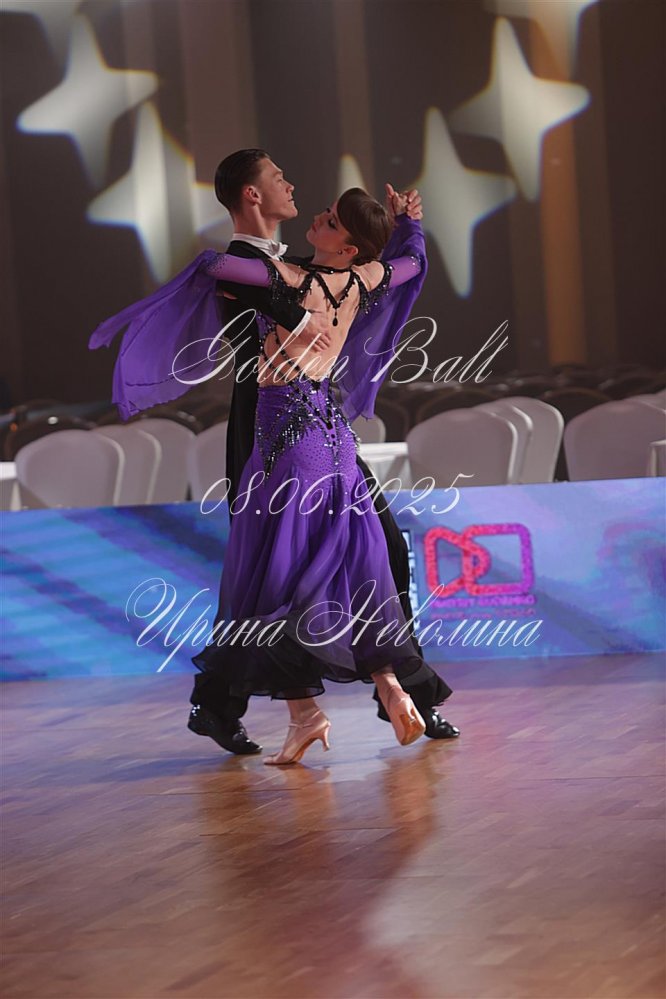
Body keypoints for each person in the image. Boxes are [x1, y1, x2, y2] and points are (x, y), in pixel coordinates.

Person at [164, 186, 451, 764]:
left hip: (286, 444)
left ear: (347, 247)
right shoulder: (356, 278)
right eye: (280, 180)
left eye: (332, 220)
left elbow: (217, 268)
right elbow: (412, 264)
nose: (307, 203)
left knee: (278, 575)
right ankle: (387, 685)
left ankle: (311, 711)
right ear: (251, 194)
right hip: (328, 433)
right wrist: (409, 227)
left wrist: (270, 294)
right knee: (348, 563)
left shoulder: (289, 275)